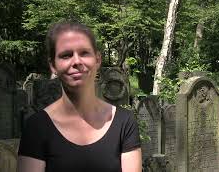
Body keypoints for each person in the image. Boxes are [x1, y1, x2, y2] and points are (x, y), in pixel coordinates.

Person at [17, 20, 142, 172]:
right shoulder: (36, 128)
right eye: (66, 55)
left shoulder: (124, 123)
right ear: (53, 65)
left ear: (97, 59)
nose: (76, 61)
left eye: (84, 53)